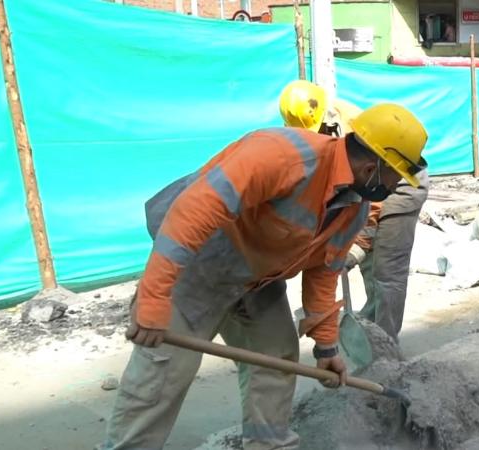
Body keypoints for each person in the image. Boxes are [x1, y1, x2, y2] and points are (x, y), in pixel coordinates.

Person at [103, 97, 428, 449]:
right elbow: (189, 215)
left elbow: (323, 273)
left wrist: (326, 347)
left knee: (276, 353)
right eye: (397, 175)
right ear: (374, 167)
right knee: (165, 369)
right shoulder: (282, 155)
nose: (397, 186)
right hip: (201, 266)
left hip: (256, 279)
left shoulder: (355, 209)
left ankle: (266, 444)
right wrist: (153, 299)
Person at [279, 80, 429, 342]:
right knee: (365, 261)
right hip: (371, 182)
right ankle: (369, 327)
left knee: (386, 270)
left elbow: (374, 193)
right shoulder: (308, 134)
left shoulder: (351, 130)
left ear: (327, 116)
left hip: (398, 178)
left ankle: (385, 345)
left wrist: (357, 243)